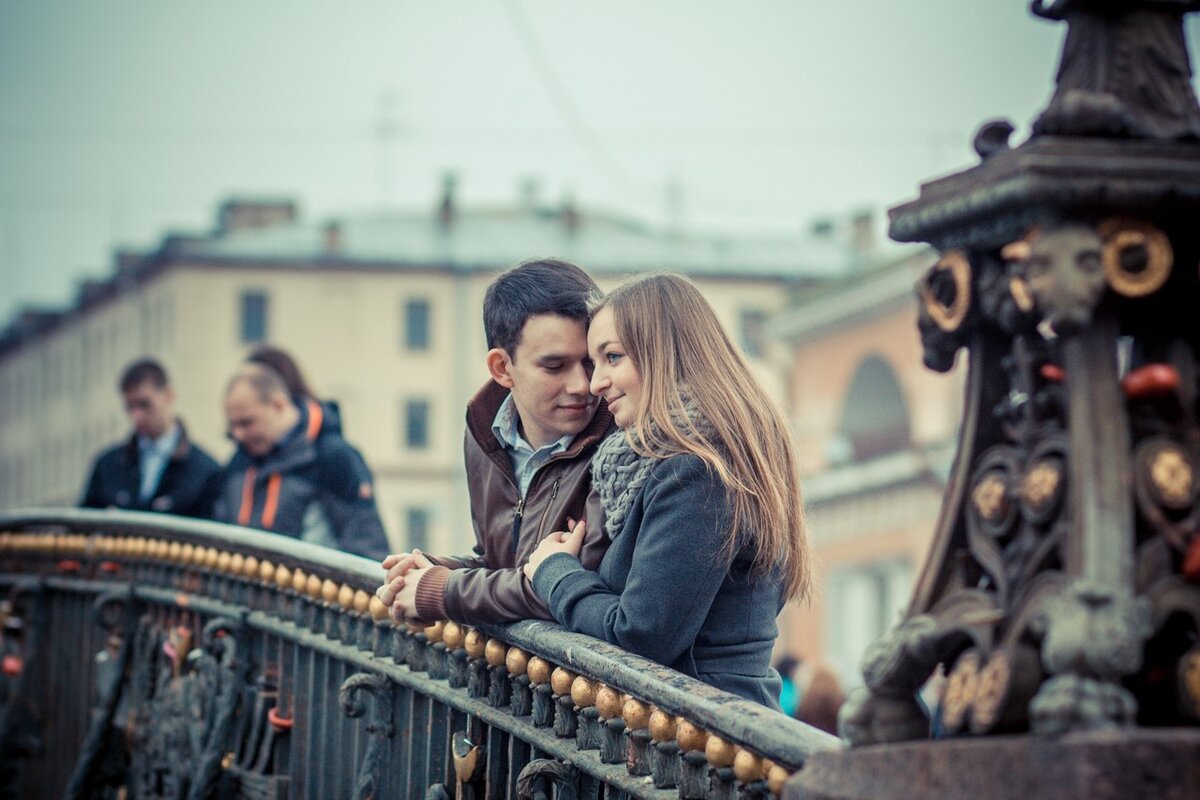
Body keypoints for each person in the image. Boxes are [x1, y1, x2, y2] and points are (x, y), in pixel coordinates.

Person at [524, 274, 810, 708]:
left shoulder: (698, 471)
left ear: (667, 355)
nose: (596, 383)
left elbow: (640, 635)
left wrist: (556, 572)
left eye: (612, 357)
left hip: (707, 740)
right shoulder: (689, 460)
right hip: (695, 729)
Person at [377, 259, 615, 625]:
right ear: (502, 368)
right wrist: (430, 570)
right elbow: (503, 562)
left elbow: (574, 590)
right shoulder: (484, 430)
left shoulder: (620, 440)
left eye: (590, 362)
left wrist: (441, 590)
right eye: (555, 367)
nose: (583, 385)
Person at [212, 363, 389, 560]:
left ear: (278, 405)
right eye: (233, 426)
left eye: (247, 422)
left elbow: (366, 544)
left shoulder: (333, 457)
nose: (238, 434)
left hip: (311, 588)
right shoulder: (240, 461)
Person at [80, 358, 221, 517]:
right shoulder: (107, 465)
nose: (136, 416)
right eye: (130, 407)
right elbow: (84, 526)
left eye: (144, 404)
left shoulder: (204, 471)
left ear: (168, 395)